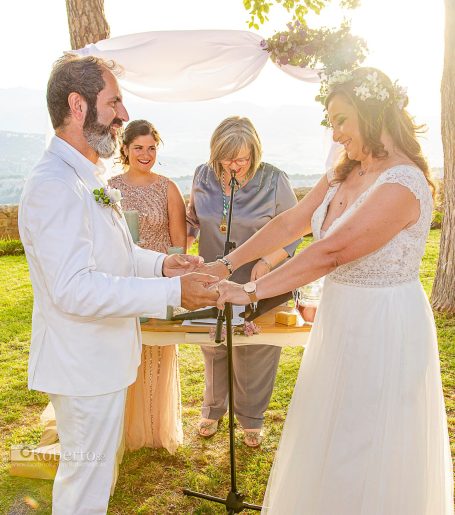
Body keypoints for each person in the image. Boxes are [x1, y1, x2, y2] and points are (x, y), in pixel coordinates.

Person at [211, 68, 453, 513]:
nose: (336, 133)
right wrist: (224, 264)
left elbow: (331, 251)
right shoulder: (344, 171)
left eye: (341, 120)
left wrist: (249, 291)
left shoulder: (404, 182)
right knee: (329, 432)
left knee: (366, 441)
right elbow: (290, 223)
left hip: (384, 325)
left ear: (372, 112)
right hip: (340, 319)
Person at [18, 54, 218, 515]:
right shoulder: (54, 185)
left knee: (96, 481)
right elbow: (75, 288)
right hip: (82, 368)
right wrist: (173, 294)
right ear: (78, 105)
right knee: (84, 489)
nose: (123, 114)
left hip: (100, 363)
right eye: (114, 102)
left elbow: (113, 253)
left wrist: (164, 266)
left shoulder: (85, 176)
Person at [186, 116, 299, 447]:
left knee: (256, 348)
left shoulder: (274, 180)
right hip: (213, 278)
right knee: (214, 344)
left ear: (255, 152)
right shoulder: (202, 175)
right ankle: (212, 408)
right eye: (226, 159)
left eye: (242, 159)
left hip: (259, 279)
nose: (234, 165)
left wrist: (267, 261)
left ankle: (251, 418)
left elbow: (294, 230)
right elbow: (193, 220)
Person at [109, 120, 186, 453]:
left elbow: (179, 245)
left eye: (151, 148)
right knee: (123, 350)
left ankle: (154, 428)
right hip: (121, 282)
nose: (145, 154)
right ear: (125, 149)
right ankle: (122, 428)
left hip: (158, 283)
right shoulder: (108, 188)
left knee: (156, 353)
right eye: (138, 147)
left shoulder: (168, 188)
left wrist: (173, 287)